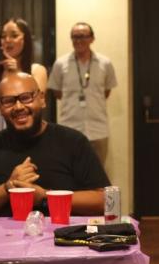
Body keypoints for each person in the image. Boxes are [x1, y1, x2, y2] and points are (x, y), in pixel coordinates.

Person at [0, 72, 110, 217]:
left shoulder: (73, 142)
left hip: (61, 239)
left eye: (26, 97)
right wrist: (7, 188)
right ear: (0, 108)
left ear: (42, 99)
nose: (18, 107)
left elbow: (105, 201)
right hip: (2, 241)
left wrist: (45, 197)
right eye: (9, 101)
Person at [0, 17, 48, 146]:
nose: (7, 41)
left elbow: (37, 105)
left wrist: (16, 71)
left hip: (23, 136)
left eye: (14, 35)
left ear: (26, 40)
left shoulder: (37, 70)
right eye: (3, 36)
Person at [49, 22, 118, 164]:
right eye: (74, 37)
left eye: (82, 36)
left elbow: (106, 92)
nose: (78, 40)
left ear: (92, 38)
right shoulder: (60, 64)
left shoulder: (105, 63)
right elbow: (57, 93)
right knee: (69, 172)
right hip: (69, 129)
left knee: (97, 175)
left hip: (98, 130)